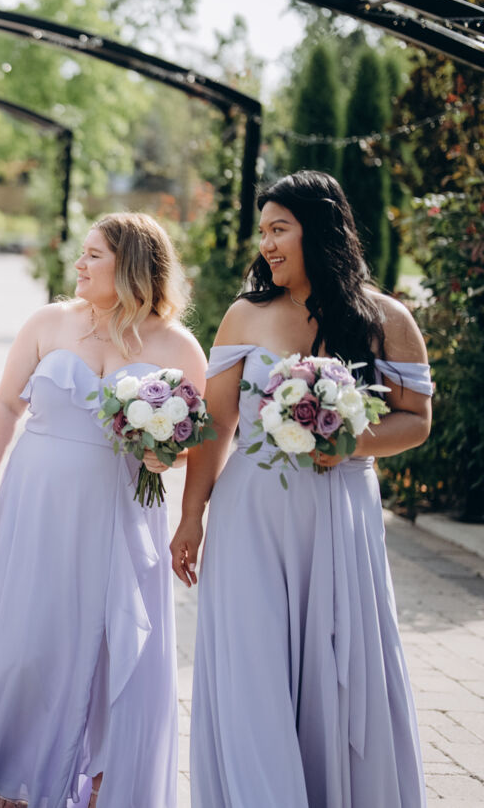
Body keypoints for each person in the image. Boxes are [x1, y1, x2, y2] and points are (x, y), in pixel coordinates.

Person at [0, 213, 203, 808]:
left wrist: (165, 456)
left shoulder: (177, 345)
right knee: (27, 634)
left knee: (109, 639)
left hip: (118, 510)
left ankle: (101, 771)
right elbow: (6, 405)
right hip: (35, 501)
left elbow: (193, 441)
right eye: (82, 253)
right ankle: (18, 764)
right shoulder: (48, 323)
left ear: (132, 265)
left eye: (94, 255)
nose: (79, 264)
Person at [172, 170, 432, 807]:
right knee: (253, 664)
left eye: (279, 229)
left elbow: (416, 419)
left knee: (337, 664)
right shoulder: (245, 315)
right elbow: (216, 425)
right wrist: (191, 516)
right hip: (251, 514)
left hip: (339, 512)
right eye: (263, 231)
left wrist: (351, 443)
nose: (266, 244)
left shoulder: (386, 318)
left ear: (318, 230)